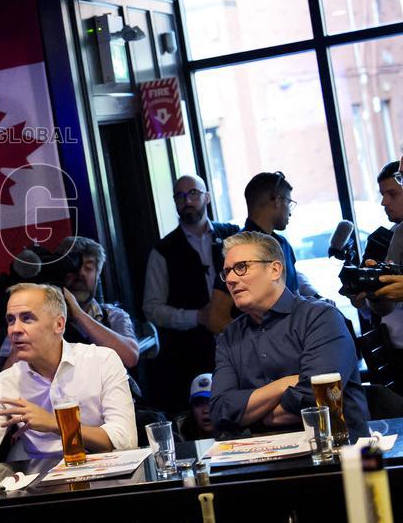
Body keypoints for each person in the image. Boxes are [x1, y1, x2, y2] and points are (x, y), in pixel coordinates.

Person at [0, 283, 137, 464]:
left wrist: (55, 424)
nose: (15, 329)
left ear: (59, 325)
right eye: (10, 320)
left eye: (27, 318)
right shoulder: (7, 381)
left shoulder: (101, 360)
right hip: (43, 484)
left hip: (105, 475)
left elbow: (125, 440)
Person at [210, 232, 369, 440]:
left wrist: (254, 417)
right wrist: (284, 384)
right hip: (261, 460)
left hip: (335, 454)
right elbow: (220, 411)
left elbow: (316, 399)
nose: (230, 279)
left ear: (274, 270)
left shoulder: (321, 318)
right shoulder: (229, 336)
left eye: (241, 267)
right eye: (227, 272)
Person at [143, 175, 240, 414]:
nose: (187, 200)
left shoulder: (234, 235)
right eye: (180, 196)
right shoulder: (163, 251)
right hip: (192, 355)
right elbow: (152, 308)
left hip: (242, 341)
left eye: (193, 193)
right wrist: (197, 317)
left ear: (207, 197)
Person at [0, 237, 139, 370]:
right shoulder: (32, 318)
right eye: (73, 269)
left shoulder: (113, 316)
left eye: (88, 268)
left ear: (98, 275)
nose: (81, 274)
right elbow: (7, 377)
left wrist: (78, 314)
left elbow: (130, 358)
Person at [241, 171, 318, 297]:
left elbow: (295, 298)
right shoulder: (237, 250)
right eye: (289, 203)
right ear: (277, 201)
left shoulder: (283, 244)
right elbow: (219, 312)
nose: (290, 213)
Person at [353, 159, 403, 346]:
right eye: (382, 194)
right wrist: (373, 294)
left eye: (392, 193)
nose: (383, 202)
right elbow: (385, 309)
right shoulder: (394, 235)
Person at [175, 373, 216, 441]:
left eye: (211, 402)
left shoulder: (237, 434)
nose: (205, 410)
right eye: (198, 404)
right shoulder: (180, 440)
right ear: (192, 409)